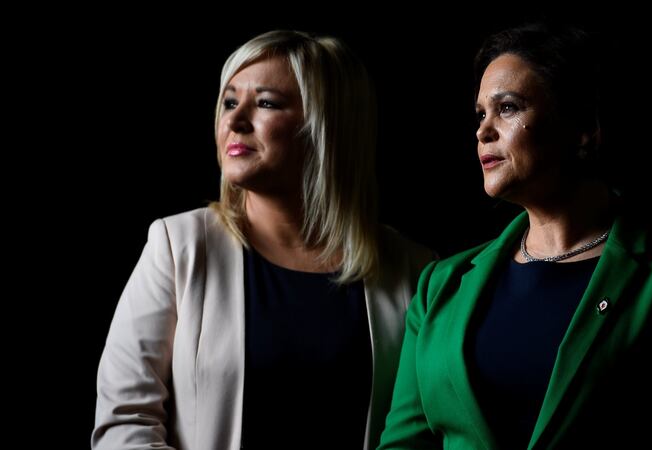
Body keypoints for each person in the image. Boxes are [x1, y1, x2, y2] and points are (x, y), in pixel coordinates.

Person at [378, 23, 652, 449]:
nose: (483, 131)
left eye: (507, 108)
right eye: (480, 114)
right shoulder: (440, 286)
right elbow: (403, 443)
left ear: (583, 125)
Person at [92, 30, 434, 450]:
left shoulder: (414, 271)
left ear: (327, 126)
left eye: (267, 103)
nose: (235, 121)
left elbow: (429, 428)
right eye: (229, 102)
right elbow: (125, 420)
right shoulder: (178, 247)